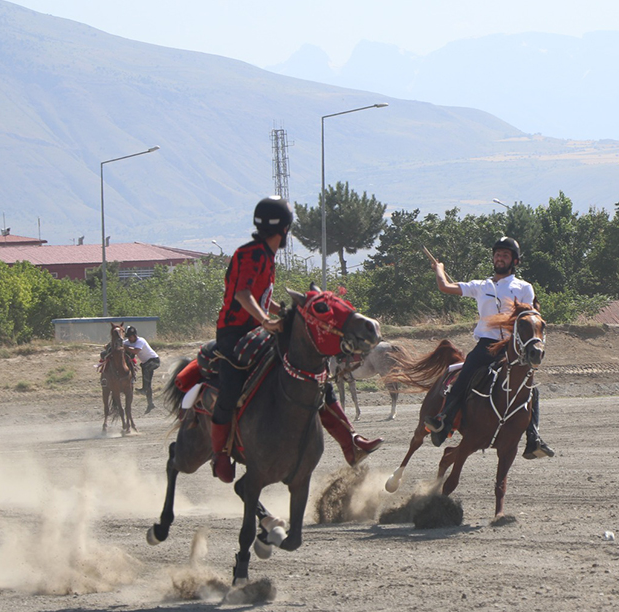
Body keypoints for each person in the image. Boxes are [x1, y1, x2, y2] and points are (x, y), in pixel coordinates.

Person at [210, 196, 382, 483]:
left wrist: (287, 314)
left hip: (262, 329)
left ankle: (350, 442)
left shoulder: (267, 254)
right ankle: (220, 455)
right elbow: (243, 295)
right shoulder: (250, 254)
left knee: (311, 372)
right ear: (286, 228)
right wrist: (266, 321)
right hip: (234, 333)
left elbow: (263, 298)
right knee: (229, 387)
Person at [424, 236, 554, 459]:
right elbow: (444, 287)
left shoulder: (524, 288)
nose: (499, 258)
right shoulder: (479, 286)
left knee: (532, 389)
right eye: (497, 254)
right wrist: (439, 268)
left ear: (514, 260)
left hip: (513, 347)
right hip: (485, 346)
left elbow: (529, 318)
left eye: (504, 255)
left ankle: (533, 439)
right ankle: (444, 420)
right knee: (464, 376)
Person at [122, 325, 161, 413]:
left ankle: (144, 389)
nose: (130, 339)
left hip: (154, 361)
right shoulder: (128, 342)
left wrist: (125, 347)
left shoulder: (141, 340)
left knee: (145, 367)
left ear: (135, 335)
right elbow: (122, 344)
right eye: (128, 337)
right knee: (148, 382)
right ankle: (150, 403)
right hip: (146, 363)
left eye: (131, 337)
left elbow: (135, 351)